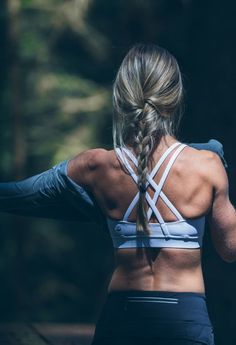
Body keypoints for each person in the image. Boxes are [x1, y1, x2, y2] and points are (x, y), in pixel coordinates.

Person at [0, 43, 234, 345]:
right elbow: (230, 249)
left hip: (121, 318)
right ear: (174, 98)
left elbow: (18, 195)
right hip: (185, 321)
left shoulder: (94, 166)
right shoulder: (208, 166)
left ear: (121, 99)